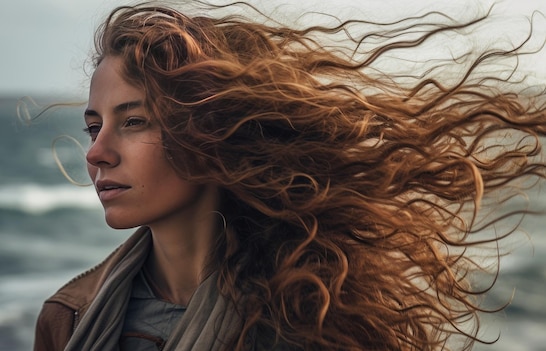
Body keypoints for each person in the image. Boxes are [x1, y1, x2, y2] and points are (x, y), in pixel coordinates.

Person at [33, 1, 546, 350]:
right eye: (94, 127)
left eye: (134, 121)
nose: (97, 153)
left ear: (208, 131)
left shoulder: (311, 319)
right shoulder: (69, 320)